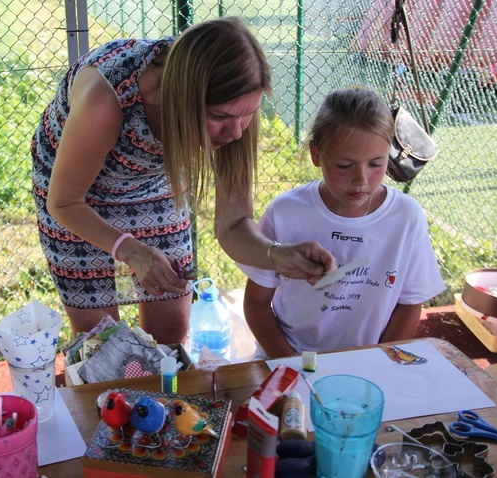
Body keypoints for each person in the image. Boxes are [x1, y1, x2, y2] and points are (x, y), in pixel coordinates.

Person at [31, 17, 334, 343]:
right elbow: (63, 202)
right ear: (180, 100)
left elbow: (233, 224)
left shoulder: (237, 98)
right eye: (220, 117)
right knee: (100, 342)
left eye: (247, 114)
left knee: (171, 334)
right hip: (74, 196)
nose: (236, 132)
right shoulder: (106, 100)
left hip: (152, 182)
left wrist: (276, 255)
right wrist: (132, 251)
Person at [238, 87, 446, 360]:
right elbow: (256, 302)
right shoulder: (286, 212)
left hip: (369, 363)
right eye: (344, 166)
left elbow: (409, 304)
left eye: (376, 164)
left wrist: (379, 362)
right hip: (286, 357)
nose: (361, 180)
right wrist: (292, 364)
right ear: (316, 155)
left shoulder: (406, 217)